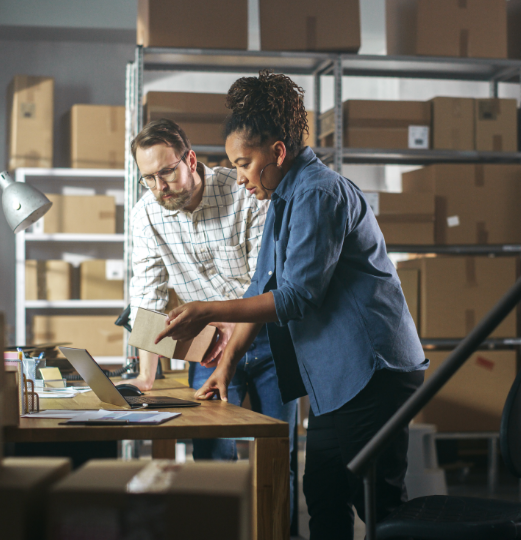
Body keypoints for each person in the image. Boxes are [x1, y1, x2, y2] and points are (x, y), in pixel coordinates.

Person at [154, 71, 429, 540]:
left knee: (379, 507)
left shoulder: (318, 193)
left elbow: (297, 296)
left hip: (372, 370)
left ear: (277, 152)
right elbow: (260, 283)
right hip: (335, 377)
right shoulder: (284, 199)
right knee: (322, 497)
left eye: (244, 164)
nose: (238, 178)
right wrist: (227, 364)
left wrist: (206, 309)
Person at [127, 117, 297, 510]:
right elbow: (147, 299)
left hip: (270, 339)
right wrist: (146, 376)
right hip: (208, 351)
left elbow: (266, 283)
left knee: (277, 458)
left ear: (189, 159)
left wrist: (225, 324)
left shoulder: (242, 191)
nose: (158, 187)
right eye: (148, 178)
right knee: (211, 459)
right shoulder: (145, 215)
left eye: (166, 173)